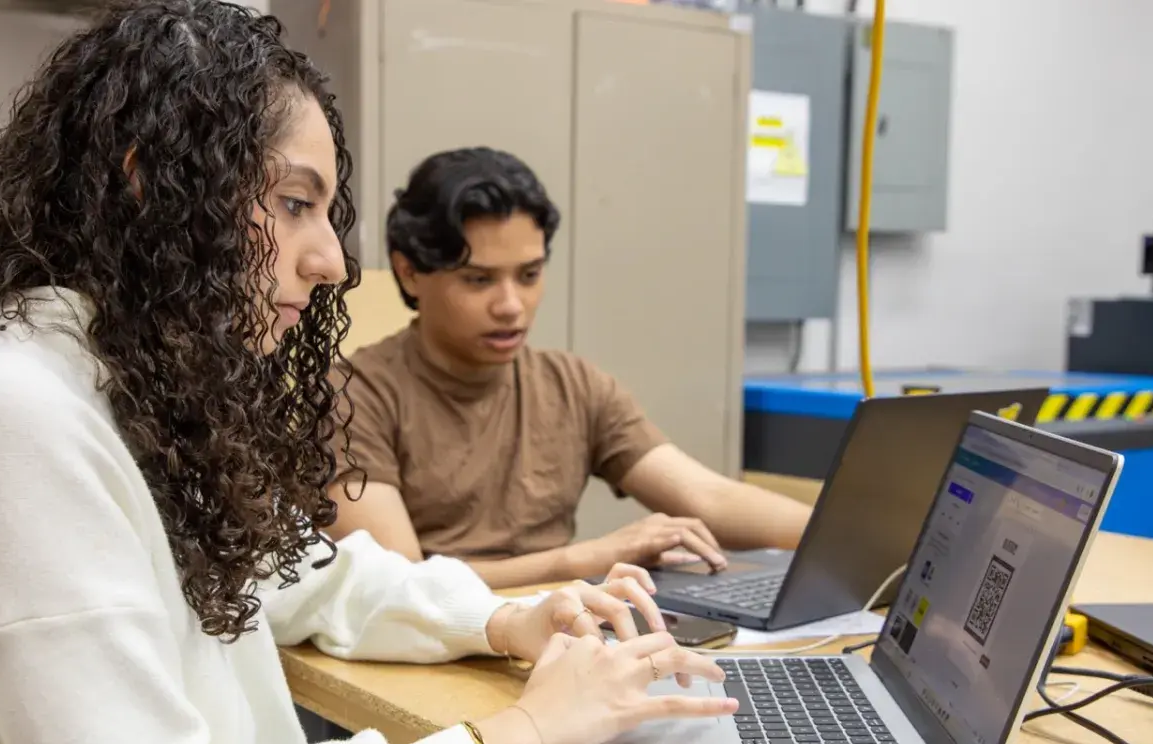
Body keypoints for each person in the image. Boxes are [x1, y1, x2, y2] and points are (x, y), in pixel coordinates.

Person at [0, 3, 736, 744]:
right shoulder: (24, 412)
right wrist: (520, 734)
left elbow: (311, 577)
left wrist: (507, 621)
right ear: (152, 186)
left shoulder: (135, 383)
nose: (333, 263)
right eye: (292, 204)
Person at [326, 147, 815, 588]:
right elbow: (397, 582)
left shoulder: (574, 387)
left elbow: (710, 499)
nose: (512, 306)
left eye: (530, 275)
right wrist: (587, 560)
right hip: (420, 660)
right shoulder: (352, 396)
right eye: (478, 280)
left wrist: (863, 544)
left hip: (559, 642)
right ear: (410, 271)